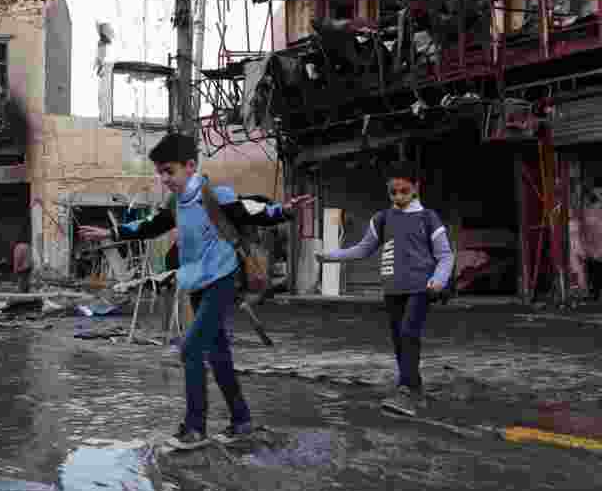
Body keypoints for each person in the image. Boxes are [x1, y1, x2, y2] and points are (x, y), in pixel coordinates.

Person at [78, 134, 312, 450]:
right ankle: (241, 420)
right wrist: (112, 232)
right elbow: (152, 225)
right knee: (218, 355)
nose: (163, 179)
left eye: (168, 171)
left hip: (222, 280)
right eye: (160, 172)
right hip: (197, 284)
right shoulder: (176, 203)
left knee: (190, 349)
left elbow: (250, 211)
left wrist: (283, 210)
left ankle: (195, 427)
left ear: (190, 166)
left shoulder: (215, 194)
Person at [315, 162, 455, 415]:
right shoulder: (382, 219)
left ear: (416, 188)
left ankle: (405, 390)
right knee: (399, 340)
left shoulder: (428, 217)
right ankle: (415, 389)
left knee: (409, 333)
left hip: (421, 287)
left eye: (404, 190)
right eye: (393, 192)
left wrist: (439, 280)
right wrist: (330, 256)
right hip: (392, 289)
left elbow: (445, 255)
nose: (399, 196)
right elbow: (362, 249)